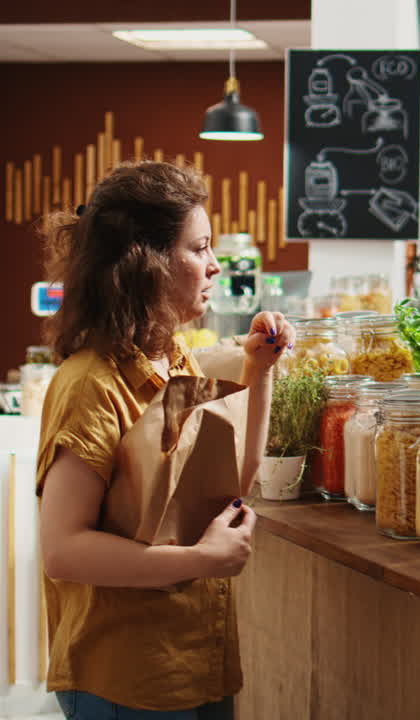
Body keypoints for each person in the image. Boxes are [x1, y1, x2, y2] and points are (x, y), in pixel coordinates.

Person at [36, 161, 294, 720]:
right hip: (125, 676)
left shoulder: (175, 360)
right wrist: (198, 560)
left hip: (194, 657)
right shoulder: (89, 384)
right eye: (199, 248)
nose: (215, 265)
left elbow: (232, 483)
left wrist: (260, 369)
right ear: (146, 264)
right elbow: (63, 549)